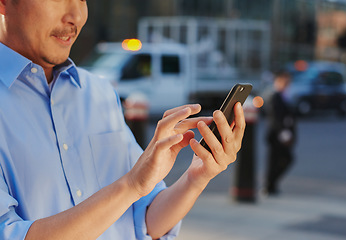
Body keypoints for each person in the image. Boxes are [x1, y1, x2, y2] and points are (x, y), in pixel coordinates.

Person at [0, 1, 246, 239]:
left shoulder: (100, 93)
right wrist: (130, 186)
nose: (75, 16)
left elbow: (146, 219)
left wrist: (197, 175)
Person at [264, 70, 297, 195]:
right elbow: (275, 118)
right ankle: (269, 185)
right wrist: (284, 133)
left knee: (281, 160)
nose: (287, 84)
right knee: (279, 160)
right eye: (284, 81)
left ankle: (271, 185)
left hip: (283, 135)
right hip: (277, 136)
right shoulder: (275, 96)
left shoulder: (285, 95)